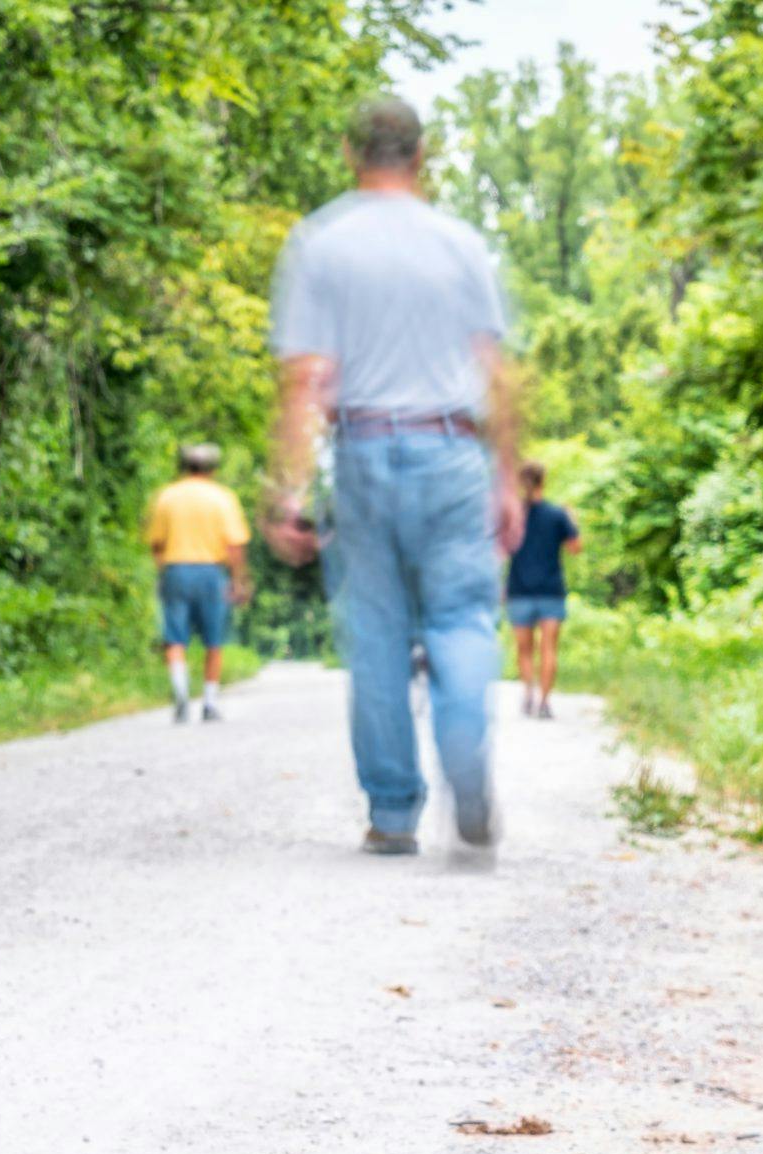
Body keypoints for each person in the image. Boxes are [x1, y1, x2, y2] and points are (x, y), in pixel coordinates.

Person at [262, 95, 523, 857]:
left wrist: (287, 487)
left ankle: (394, 814)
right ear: (421, 154)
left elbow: (308, 377)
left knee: (374, 634)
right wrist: (506, 480)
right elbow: (498, 375)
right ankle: (467, 763)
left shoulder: (319, 242)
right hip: (452, 452)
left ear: (350, 152)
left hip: (365, 452)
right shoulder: (462, 243)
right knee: (462, 619)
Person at [143, 443, 252, 723]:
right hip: (211, 573)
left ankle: (180, 692)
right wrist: (239, 579)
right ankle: (209, 703)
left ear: (184, 466)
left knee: (174, 636)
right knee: (214, 639)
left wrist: (163, 570)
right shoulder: (222, 498)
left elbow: (156, 543)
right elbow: (235, 545)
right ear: (213, 468)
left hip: (176, 569)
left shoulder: (167, 497)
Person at [504, 463, 579, 718]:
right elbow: (575, 547)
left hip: (519, 591)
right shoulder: (558, 514)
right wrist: (573, 520)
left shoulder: (512, 516)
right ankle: (544, 703)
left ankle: (528, 695)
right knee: (549, 649)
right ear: (542, 482)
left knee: (524, 650)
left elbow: (500, 549)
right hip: (551, 591)